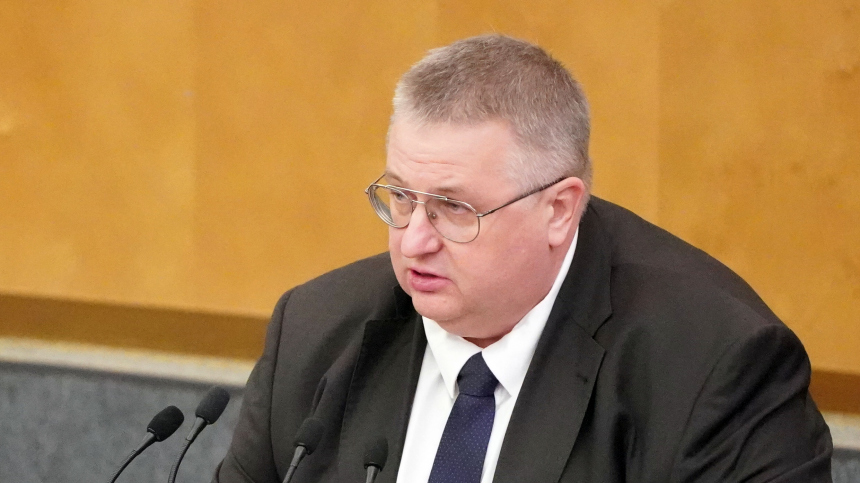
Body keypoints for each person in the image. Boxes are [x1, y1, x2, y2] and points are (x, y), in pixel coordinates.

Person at [213, 34, 832, 483]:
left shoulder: (714, 366)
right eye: (401, 197)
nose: (412, 241)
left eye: (453, 208)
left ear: (559, 210)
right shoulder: (315, 332)